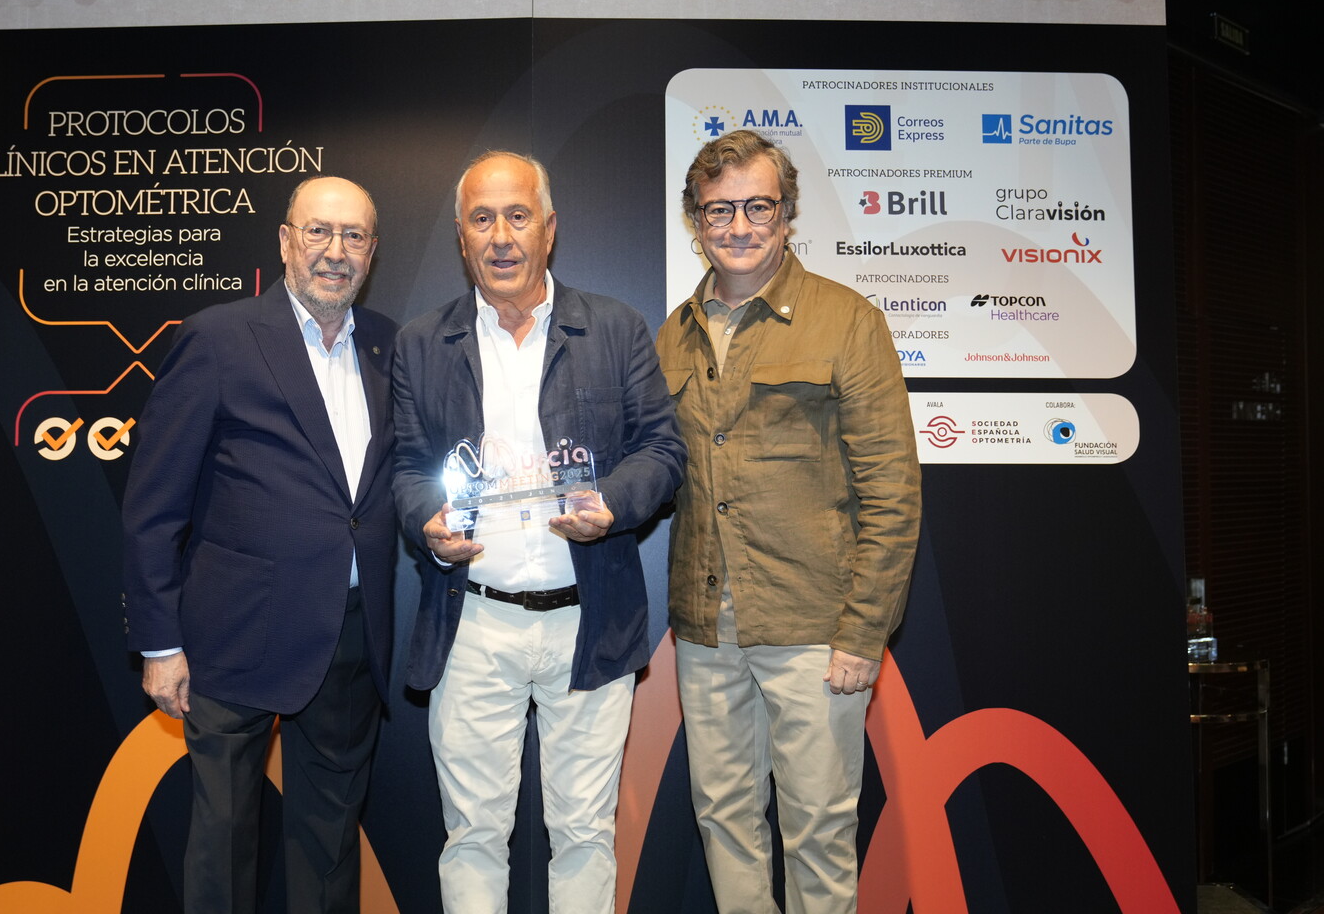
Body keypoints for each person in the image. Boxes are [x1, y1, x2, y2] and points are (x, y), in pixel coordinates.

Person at [393, 150, 685, 913]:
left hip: (589, 618)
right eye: (482, 219)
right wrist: (426, 521)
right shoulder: (423, 342)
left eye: (517, 216)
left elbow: (663, 450)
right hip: (472, 620)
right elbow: (407, 466)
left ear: (548, 229)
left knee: (585, 833)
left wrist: (612, 505)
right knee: (472, 836)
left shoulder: (614, 328)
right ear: (461, 237)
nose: (501, 237)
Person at [657, 130, 921, 914]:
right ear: (695, 220)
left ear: (787, 212)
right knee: (725, 822)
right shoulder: (674, 333)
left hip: (815, 628)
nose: (738, 226)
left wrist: (863, 632)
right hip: (706, 632)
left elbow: (892, 491)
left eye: (757, 207)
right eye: (719, 210)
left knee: (818, 832)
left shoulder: (847, 321)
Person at [122, 175, 397, 914]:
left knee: (330, 847)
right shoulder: (217, 337)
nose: (335, 251)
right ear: (284, 241)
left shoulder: (389, 345)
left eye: (354, 236)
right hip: (235, 633)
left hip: (349, 635)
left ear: (372, 250)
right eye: (318, 231)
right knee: (224, 843)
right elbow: (153, 505)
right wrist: (159, 642)